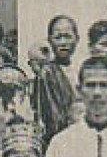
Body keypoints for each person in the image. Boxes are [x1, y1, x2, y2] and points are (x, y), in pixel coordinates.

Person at [30, 15, 81, 145]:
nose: (63, 42)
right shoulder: (46, 73)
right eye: (58, 37)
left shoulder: (82, 71)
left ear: (77, 39)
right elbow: (52, 116)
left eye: (68, 36)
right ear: (49, 40)